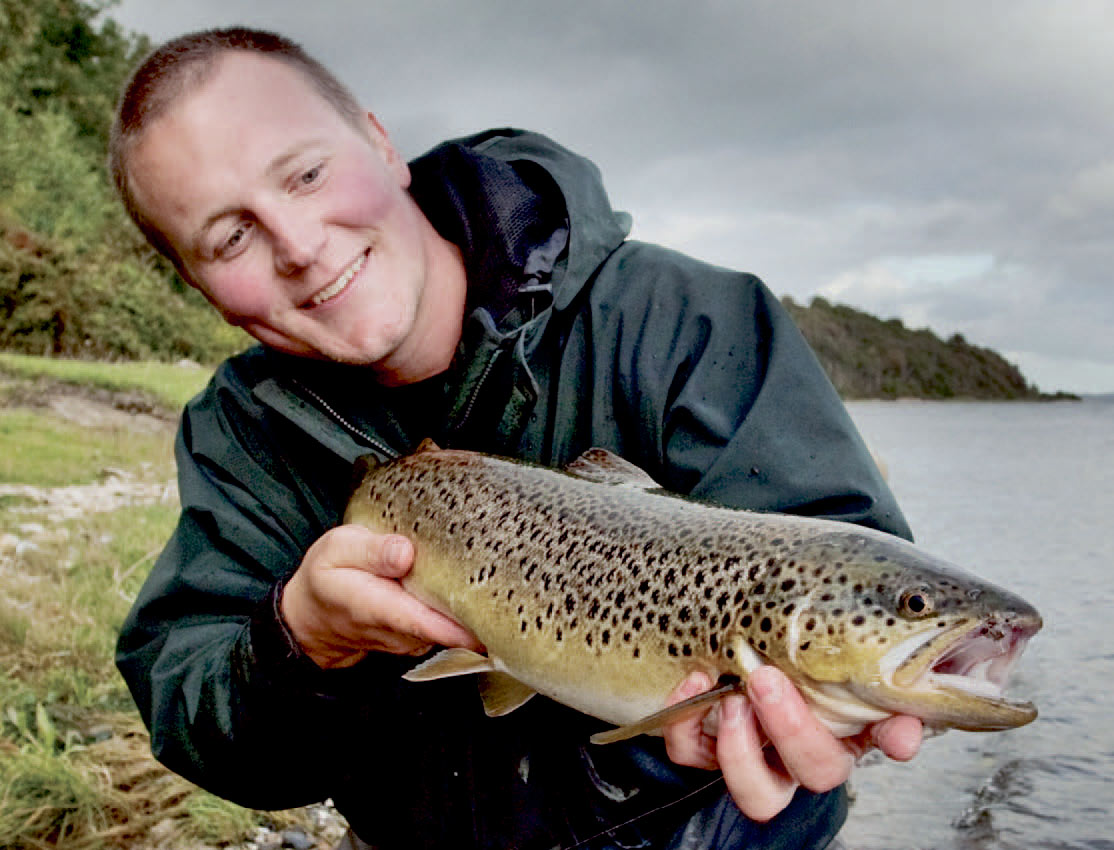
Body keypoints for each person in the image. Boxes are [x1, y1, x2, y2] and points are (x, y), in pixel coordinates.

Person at [109, 27, 922, 850]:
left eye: (308, 173)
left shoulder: (685, 321)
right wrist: (301, 637)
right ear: (196, 282)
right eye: (229, 238)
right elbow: (194, 711)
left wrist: (753, 731)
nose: (298, 244)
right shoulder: (241, 432)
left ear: (381, 143)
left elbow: (852, 560)